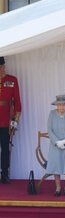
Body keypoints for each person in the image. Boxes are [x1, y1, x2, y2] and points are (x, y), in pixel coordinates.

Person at [0, 56, 21, 184]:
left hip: (5, 121)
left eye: (1, 67)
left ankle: (4, 174)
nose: (0, 69)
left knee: (5, 148)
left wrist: (14, 122)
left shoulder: (12, 80)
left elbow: (17, 103)